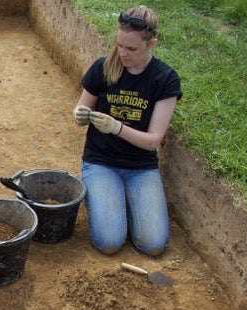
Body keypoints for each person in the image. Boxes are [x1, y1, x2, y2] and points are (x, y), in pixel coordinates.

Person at [73, 5, 182, 257]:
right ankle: (109, 202)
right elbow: (82, 107)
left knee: (152, 245)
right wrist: (79, 115)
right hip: (101, 162)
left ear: (151, 44)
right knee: (109, 242)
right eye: (119, 45)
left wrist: (116, 127)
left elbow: (153, 141)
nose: (122, 53)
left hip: (141, 167)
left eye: (131, 48)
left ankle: (124, 205)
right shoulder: (103, 67)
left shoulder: (165, 79)